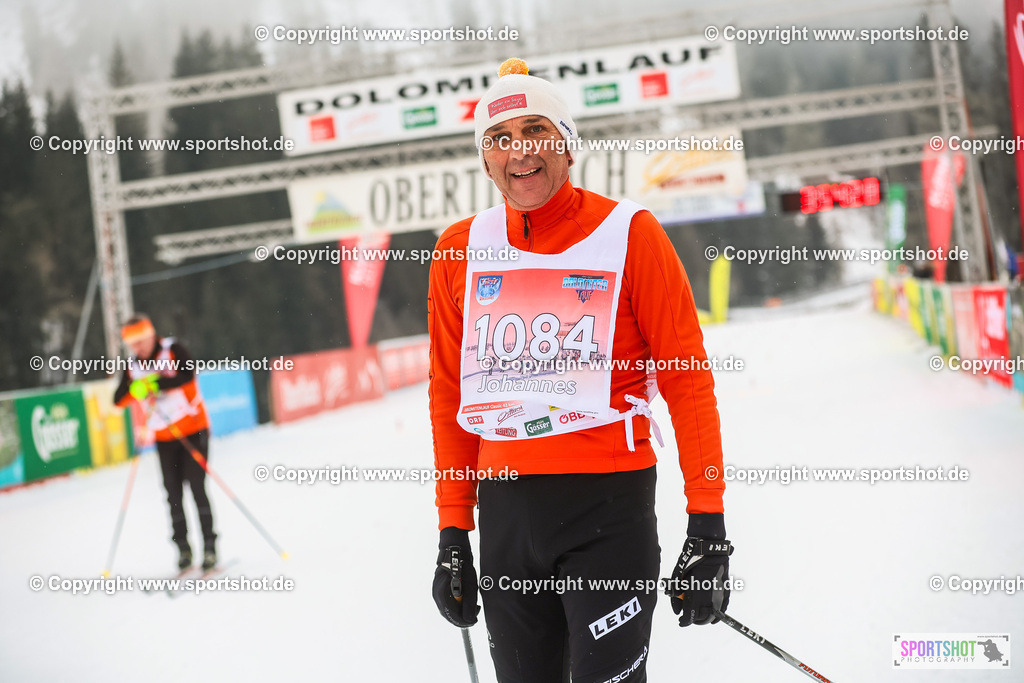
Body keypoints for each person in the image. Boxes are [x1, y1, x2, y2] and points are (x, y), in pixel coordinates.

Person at [428, 58, 733, 683]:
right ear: (485, 160)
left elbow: (687, 380)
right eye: (499, 138)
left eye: (536, 130)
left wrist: (707, 523)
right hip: (506, 515)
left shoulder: (631, 234)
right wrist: (454, 531)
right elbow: (449, 396)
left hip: (608, 510)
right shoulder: (459, 250)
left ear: (567, 145)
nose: (519, 151)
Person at [114, 314, 217, 571]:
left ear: (151, 335)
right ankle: (183, 549)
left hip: (193, 431)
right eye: (132, 343)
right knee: (172, 494)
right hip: (163, 437)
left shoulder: (173, 349)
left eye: (141, 341)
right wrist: (134, 389)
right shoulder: (132, 365)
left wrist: (157, 382)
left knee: (197, 487)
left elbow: (187, 375)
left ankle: (210, 547)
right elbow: (118, 400)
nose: (138, 347)